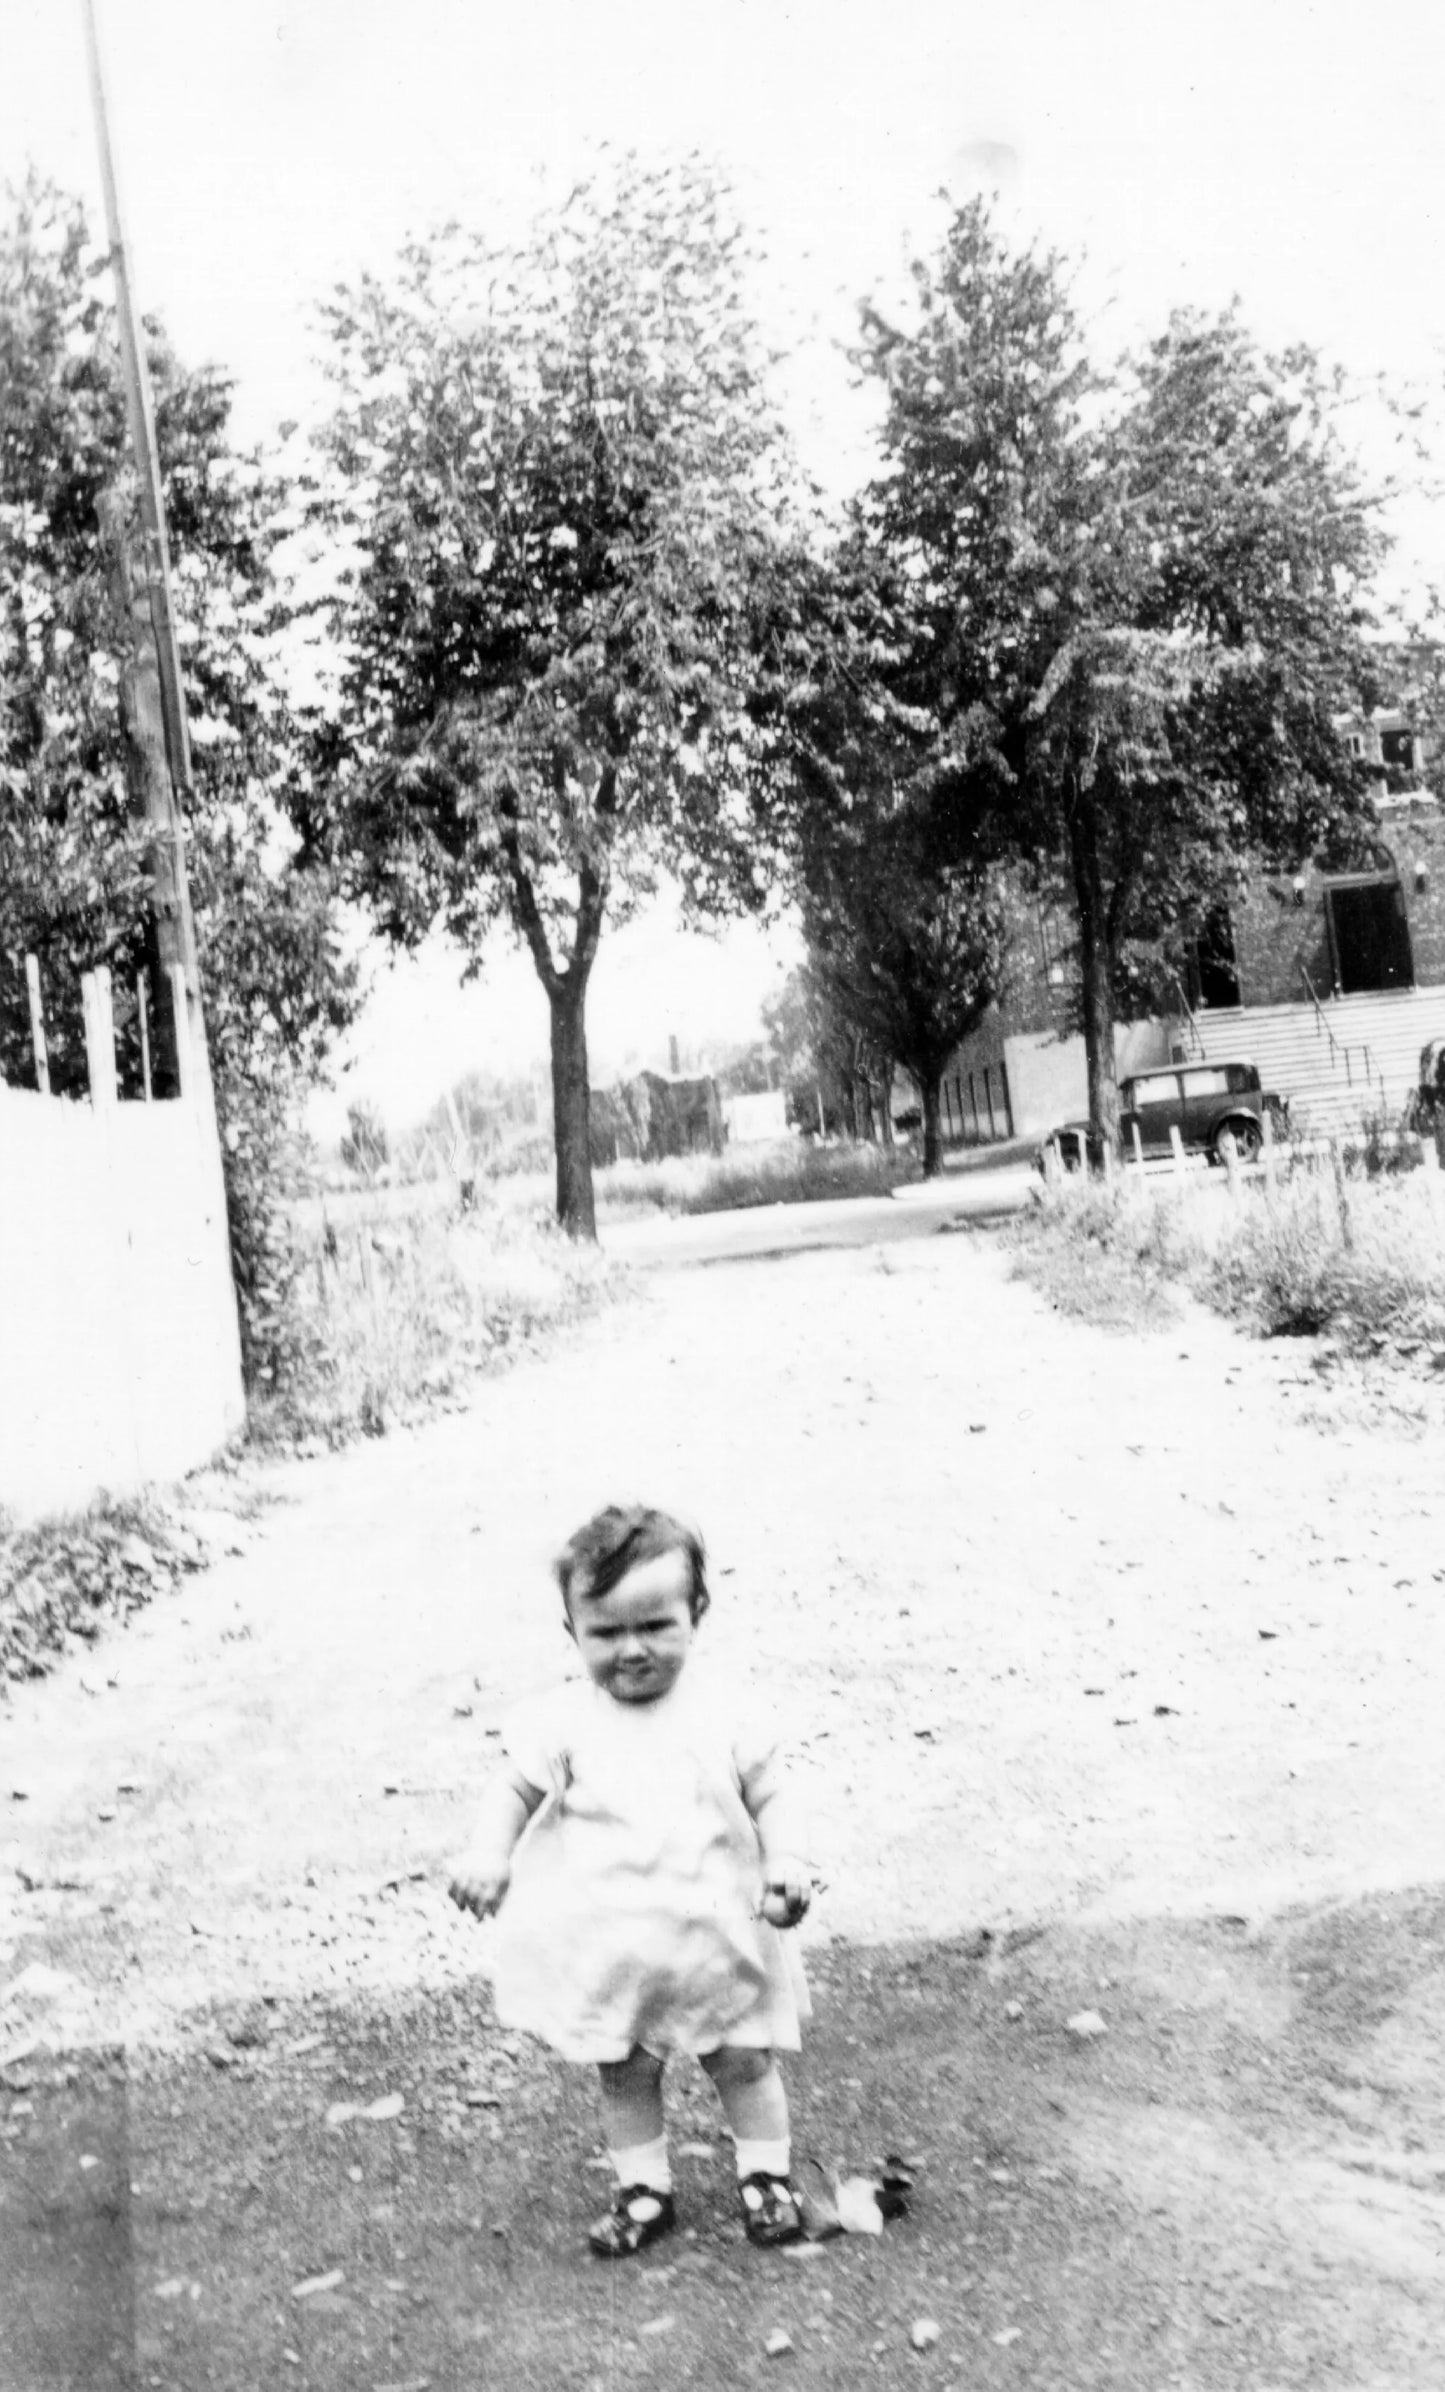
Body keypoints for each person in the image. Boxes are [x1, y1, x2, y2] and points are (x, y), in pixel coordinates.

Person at [447, 1502, 813, 2259]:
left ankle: (766, 2177)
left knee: (743, 2059)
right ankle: (643, 2188)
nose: (632, 1650)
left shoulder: (726, 1712)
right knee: (623, 2070)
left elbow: (772, 1793)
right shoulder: (563, 1722)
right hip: (615, 1944)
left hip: (718, 1938)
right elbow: (511, 1792)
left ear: (696, 1613)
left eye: (655, 1626)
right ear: (572, 1632)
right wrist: (489, 1853)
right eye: (606, 1633)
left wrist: (787, 1861)